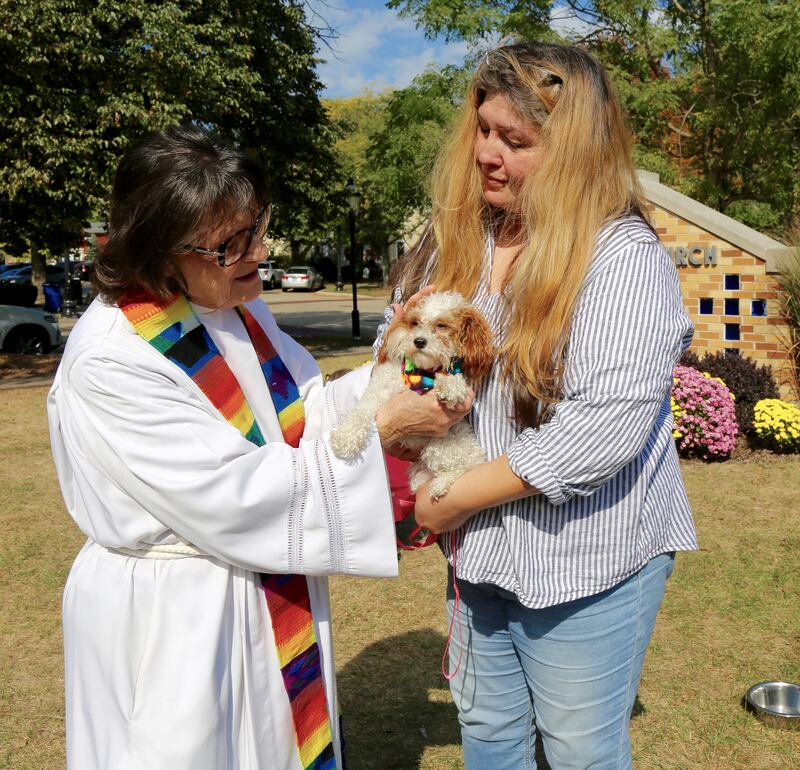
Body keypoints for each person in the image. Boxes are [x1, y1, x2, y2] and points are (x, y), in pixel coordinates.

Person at [47, 125, 471, 770]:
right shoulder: (113, 358)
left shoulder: (231, 308)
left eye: (256, 227)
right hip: (178, 610)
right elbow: (232, 493)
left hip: (256, 583)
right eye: (230, 243)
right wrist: (383, 428)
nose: (259, 251)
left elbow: (304, 410)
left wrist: (397, 377)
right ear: (159, 250)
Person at [379, 41, 698, 769]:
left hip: (588, 555)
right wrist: (403, 400)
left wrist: (448, 502)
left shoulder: (621, 258)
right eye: (484, 130)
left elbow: (602, 428)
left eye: (515, 141)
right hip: (483, 553)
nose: (488, 154)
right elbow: (396, 336)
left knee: (579, 750)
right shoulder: (461, 236)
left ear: (575, 153)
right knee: (489, 737)